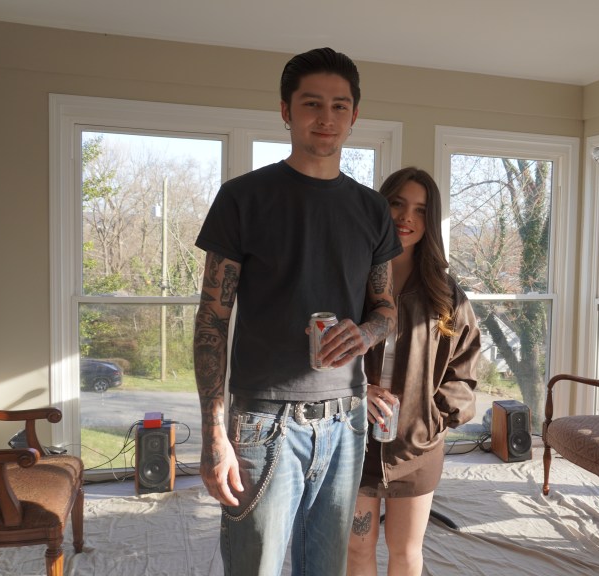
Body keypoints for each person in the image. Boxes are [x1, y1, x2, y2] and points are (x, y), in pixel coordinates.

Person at [193, 47, 401, 576]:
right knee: (254, 567)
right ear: (286, 111)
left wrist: (366, 333)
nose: (326, 118)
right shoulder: (243, 198)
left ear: (354, 116)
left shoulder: (372, 209)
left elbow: (387, 309)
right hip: (263, 421)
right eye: (312, 103)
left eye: (339, 106)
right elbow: (212, 321)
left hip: (347, 419)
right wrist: (214, 433)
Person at [347, 167, 481, 576]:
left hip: (416, 449)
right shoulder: (349, 281)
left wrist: (433, 418)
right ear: (380, 208)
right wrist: (356, 392)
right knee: (356, 549)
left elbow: (465, 370)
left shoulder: (446, 295)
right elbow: (323, 352)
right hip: (353, 443)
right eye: (397, 204)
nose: (407, 217)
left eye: (421, 210)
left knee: (405, 552)